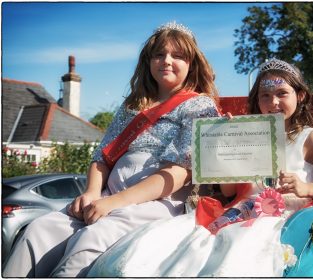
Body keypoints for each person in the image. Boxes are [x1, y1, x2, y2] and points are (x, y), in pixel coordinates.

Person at [87, 58, 313, 277]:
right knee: (165, 248)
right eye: (264, 95)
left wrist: (307, 187)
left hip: (282, 220)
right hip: (235, 212)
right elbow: (229, 191)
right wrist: (228, 147)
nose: (272, 102)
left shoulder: (310, 137)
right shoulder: (249, 132)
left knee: (233, 254)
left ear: (301, 96)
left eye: (282, 93)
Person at [2, 21, 220, 277]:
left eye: (177, 55)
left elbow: (179, 173)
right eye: (159, 54)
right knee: (38, 230)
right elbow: (101, 158)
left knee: (91, 240)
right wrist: (93, 192)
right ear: (148, 61)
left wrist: (114, 203)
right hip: (106, 195)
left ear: (191, 63)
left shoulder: (200, 107)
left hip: (158, 202)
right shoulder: (132, 106)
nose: (166, 60)